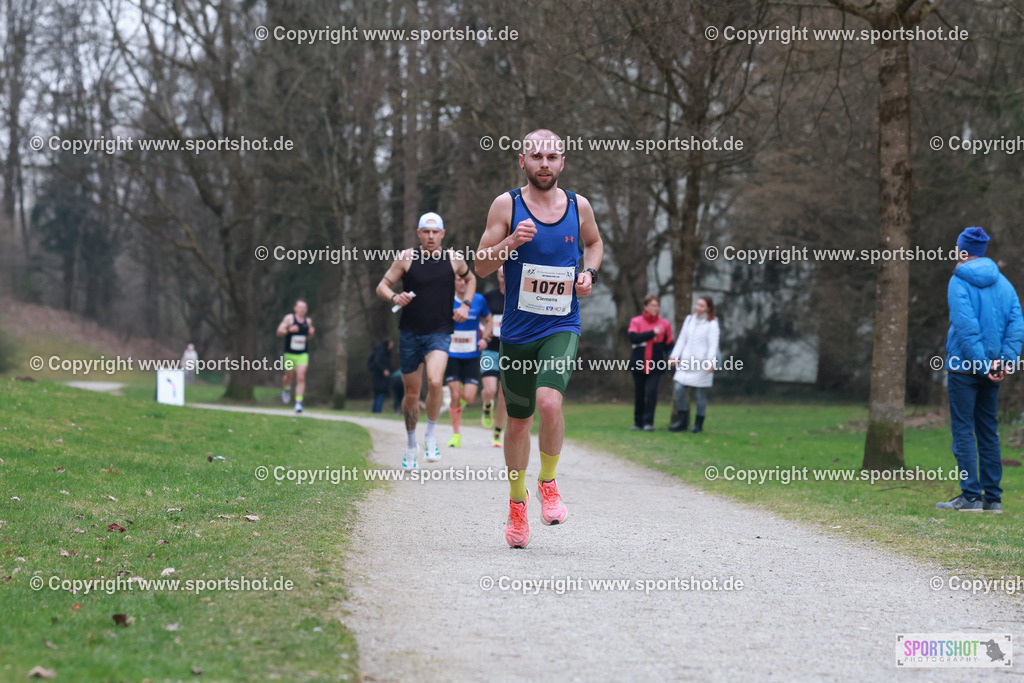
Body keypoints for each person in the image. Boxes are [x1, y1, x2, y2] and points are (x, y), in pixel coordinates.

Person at [476, 129, 604, 548]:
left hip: (560, 325)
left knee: (550, 402)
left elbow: (595, 243)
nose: (544, 164)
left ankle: (548, 481)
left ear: (562, 162)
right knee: (518, 422)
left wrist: (589, 274)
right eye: (537, 157)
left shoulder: (577, 205)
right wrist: (511, 241)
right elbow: (479, 266)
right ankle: (517, 504)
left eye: (552, 157)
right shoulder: (506, 205)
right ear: (522, 161)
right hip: (516, 332)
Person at [376, 212, 475, 469]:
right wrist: (394, 297)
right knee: (411, 393)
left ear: (442, 234)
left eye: (435, 232)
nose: (431, 236)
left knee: (434, 381)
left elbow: (471, 278)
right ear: (419, 234)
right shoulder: (406, 258)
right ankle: (411, 445)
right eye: (426, 232)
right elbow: (382, 286)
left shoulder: (453, 258)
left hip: (440, 332)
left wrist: (465, 305)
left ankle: (430, 436)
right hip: (410, 333)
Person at [936, 227, 1023, 513]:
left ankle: (970, 497)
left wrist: (981, 365)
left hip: (964, 370)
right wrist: (1005, 362)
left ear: (962, 250)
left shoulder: (958, 281)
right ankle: (993, 500)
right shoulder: (1005, 284)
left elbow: (966, 328)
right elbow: (1016, 324)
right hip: (993, 371)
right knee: (988, 431)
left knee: (963, 431)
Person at [444, 276, 491, 447]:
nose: (462, 283)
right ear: (453, 282)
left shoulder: (478, 300)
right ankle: (456, 435)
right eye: (458, 280)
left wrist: (485, 338)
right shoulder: (446, 299)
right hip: (452, 354)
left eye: (465, 280)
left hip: (471, 355)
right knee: (455, 395)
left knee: (469, 398)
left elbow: (489, 319)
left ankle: (460, 402)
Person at [668, 295, 719, 433]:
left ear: (708, 308)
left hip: (701, 364)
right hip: (685, 362)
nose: (698, 308)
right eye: (697, 305)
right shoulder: (689, 320)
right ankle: (682, 422)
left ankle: (698, 424)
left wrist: (710, 363)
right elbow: (682, 339)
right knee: (679, 389)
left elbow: (712, 345)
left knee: (700, 394)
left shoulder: (712, 323)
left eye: (702, 306)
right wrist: (674, 356)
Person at [628, 295, 674, 431]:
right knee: (639, 394)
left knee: (652, 392)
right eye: (653, 305)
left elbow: (669, 345)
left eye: (657, 305)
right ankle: (638, 423)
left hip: (656, 364)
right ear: (646, 306)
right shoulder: (636, 321)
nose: (656, 308)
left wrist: (673, 356)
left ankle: (648, 423)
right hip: (638, 363)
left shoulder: (665, 324)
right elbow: (633, 338)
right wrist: (652, 333)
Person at [480, 266, 508, 447]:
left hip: (510, 351)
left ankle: (498, 432)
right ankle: (486, 405)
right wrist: (484, 332)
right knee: (489, 390)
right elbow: (480, 317)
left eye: (506, 274)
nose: (503, 278)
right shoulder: (489, 297)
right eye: (500, 275)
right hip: (490, 349)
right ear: (497, 276)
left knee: (503, 395)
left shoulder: (519, 295)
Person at [277, 299, 315, 413]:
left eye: (304, 307)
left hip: (302, 354)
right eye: (300, 307)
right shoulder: (289, 319)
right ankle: (286, 388)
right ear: (295, 308)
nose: (302, 309)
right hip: (289, 354)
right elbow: (279, 332)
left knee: (301, 377)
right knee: (289, 376)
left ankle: (298, 404)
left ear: (306, 309)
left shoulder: (308, 321)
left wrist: (311, 333)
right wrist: (289, 330)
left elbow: (309, 337)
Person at [368, 339, 394, 414]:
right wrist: (384, 370)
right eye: (391, 344)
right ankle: (377, 411)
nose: (392, 346)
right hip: (380, 377)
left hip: (379, 377)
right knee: (381, 393)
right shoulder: (381, 352)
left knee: (378, 393)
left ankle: (375, 411)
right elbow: (377, 362)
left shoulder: (384, 352)